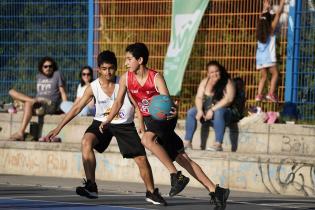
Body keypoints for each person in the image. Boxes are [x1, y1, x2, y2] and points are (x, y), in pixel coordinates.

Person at [99, 43, 230, 207]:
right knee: (182, 158)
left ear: (140, 60)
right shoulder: (126, 78)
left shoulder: (156, 77)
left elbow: (167, 101)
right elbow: (118, 102)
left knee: (146, 140)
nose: (125, 63)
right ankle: (216, 191)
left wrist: (173, 108)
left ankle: (176, 176)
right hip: (150, 121)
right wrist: (108, 120)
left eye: (128, 59)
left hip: (164, 118)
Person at [46, 50, 167, 206]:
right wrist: (58, 128)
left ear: (115, 68)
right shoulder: (93, 87)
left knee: (141, 158)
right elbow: (76, 108)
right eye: (104, 69)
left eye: (111, 68)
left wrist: (141, 125)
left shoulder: (123, 82)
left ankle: (151, 192)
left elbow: (137, 106)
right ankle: (91, 185)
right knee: (86, 142)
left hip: (124, 123)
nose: (108, 72)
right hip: (101, 123)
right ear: (99, 70)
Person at [184, 69, 245, 151]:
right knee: (191, 112)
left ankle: (218, 144)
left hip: (226, 114)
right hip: (211, 113)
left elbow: (228, 102)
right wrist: (201, 110)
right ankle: (187, 142)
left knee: (219, 112)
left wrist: (212, 109)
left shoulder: (229, 88)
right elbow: (204, 100)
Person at [8, 56, 67, 141]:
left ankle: (20, 133)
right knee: (11, 92)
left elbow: (63, 92)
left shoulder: (57, 74)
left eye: (50, 66)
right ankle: (31, 101)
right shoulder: (39, 76)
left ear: (53, 67)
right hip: (38, 102)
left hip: (50, 104)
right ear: (41, 67)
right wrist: (35, 100)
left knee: (27, 103)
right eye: (45, 66)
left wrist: (65, 109)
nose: (48, 68)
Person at [255, 0, 285, 103]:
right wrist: (282, 3)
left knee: (264, 77)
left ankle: (259, 95)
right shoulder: (271, 29)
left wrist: (265, 8)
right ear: (269, 21)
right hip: (269, 56)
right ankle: (271, 94)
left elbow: (261, 18)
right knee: (275, 74)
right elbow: (278, 14)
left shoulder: (259, 29)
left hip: (259, 58)